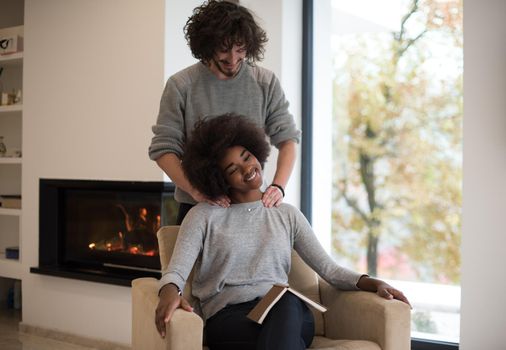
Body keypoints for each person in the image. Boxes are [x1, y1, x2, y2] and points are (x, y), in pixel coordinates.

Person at [155, 114, 411, 350]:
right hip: (230, 319)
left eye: (246, 157)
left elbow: (330, 270)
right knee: (288, 326)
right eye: (232, 169)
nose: (247, 168)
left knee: (287, 303)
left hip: (286, 312)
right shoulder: (203, 215)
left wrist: (376, 283)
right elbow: (176, 272)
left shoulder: (286, 214)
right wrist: (169, 292)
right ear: (219, 179)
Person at [148, 0, 300, 224]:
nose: (232, 59)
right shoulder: (181, 85)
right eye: (223, 49)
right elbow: (163, 150)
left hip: (251, 208)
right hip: (197, 209)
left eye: (240, 49)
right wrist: (197, 192)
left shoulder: (264, 82)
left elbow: (288, 139)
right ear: (207, 45)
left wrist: (278, 186)